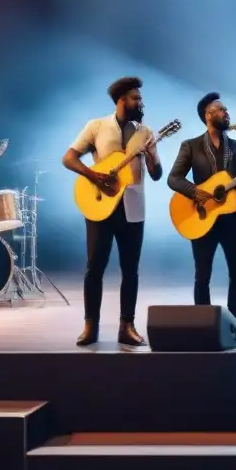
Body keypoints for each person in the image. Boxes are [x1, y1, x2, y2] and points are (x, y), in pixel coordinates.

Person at [63, 76, 163, 347]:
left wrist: (152, 155)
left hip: (133, 208)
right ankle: (90, 326)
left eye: (140, 98)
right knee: (94, 268)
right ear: (122, 100)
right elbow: (69, 158)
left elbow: (156, 175)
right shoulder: (96, 126)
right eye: (136, 98)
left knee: (131, 270)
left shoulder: (146, 131)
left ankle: (127, 326)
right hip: (101, 205)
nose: (141, 103)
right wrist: (94, 176)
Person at [168, 92, 236, 321]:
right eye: (222, 110)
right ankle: (203, 325)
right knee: (202, 276)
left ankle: (234, 326)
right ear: (208, 115)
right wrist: (197, 193)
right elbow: (173, 179)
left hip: (235, 219)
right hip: (202, 216)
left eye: (227, 110)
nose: (227, 114)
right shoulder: (191, 146)